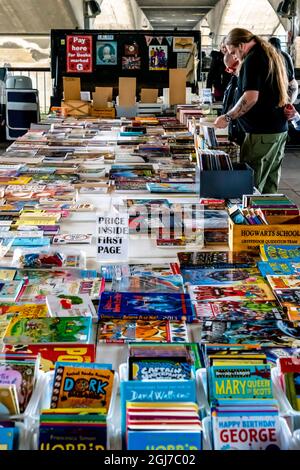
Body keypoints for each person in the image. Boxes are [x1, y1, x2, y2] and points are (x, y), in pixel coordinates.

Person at [214, 28, 289, 194]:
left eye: (234, 52)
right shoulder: (268, 54)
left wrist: (227, 117)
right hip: (276, 130)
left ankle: (251, 219)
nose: (235, 57)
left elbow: (250, 97)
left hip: (260, 133)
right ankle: (269, 218)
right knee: (269, 186)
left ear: (241, 45)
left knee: (251, 188)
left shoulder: (252, 59)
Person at [222, 52, 245, 146]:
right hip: (235, 129)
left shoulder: (246, 81)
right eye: (228, 69)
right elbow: (229, 102)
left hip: (243, 129)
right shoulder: (234, 79)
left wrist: (227, 117)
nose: (231, 71)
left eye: (232, 68)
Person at [269, 37, 298, 104]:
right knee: (286, 108)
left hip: (286, 86)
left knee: (282, 109)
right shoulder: (286, 55)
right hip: (293, 85)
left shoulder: (274, 56)